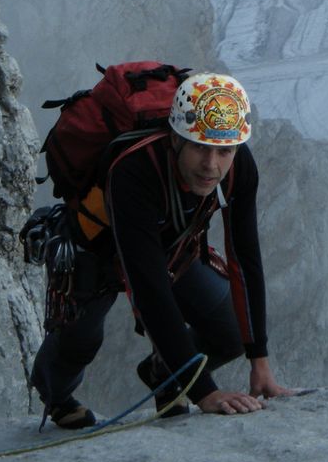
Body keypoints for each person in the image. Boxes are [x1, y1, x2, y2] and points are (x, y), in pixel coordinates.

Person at [30, 72, 293, 428]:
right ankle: (57, 397)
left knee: (228, 331)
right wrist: (204, 391)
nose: (211, 165)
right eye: (200, 146)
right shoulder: (135, 169)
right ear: (176, 139)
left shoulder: (239, 165)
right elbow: (149, 288)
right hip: (94, 250)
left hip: (170, 249)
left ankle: (163, 373)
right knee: (78, 343)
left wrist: (258, 360)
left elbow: (245, 259)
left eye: (223, 151)